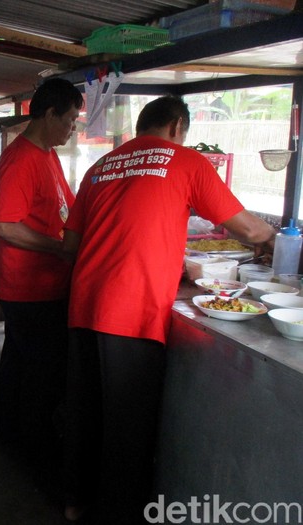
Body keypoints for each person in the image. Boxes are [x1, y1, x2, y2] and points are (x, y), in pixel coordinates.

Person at [61, 96, 276, 524]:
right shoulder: (186, 160)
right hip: (132, 310)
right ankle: (118, 514)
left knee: (85, 409)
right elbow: (249, 228)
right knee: (128, 422)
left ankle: (74, 503)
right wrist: (275, 237)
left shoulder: (101, 166)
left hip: (84, 304)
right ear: (177, 126)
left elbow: (71, 246)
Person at [0, 78, 84, 472]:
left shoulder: (48, 154)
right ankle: (37, 451)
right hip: (27, 287)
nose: (73, 127)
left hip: (43, 283)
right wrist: (60, 248)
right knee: (42, 371)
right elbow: (5, 225)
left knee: (20, 363)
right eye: (71, 119)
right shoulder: (20, 159)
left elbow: (66, 209)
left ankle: (11, 434)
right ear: (48, 114)